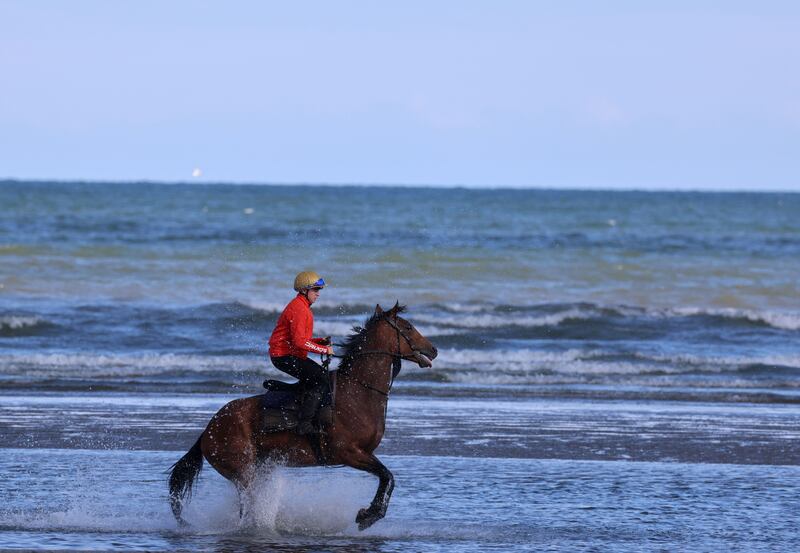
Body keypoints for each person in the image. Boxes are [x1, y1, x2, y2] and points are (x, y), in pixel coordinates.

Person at [268, 271, 335, 434]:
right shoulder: (300, 309)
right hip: (283, 356)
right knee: (321, 379)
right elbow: (299, 342)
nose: (318, 294)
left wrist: (319, 342)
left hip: (289, 354)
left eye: (319, 290)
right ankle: (304, 425)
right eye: (315, 290)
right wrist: (324, 349)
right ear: (305, 290)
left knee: (317, 376)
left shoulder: (301, 306)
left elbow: (299, 339)